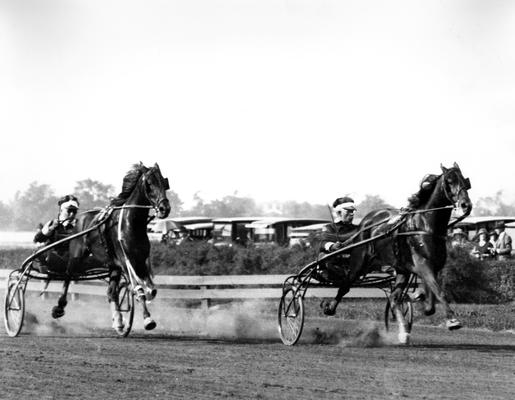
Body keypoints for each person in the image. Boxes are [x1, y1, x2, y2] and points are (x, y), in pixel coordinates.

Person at [317, 196, 359, 283]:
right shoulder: (329, 227)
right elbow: (323, 242)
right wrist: (332, 246)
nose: (352, 214)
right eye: (348, 211)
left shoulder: (358, 229)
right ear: (339, 213)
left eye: (353, 211)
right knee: (324, 257)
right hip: (334, 261)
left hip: (352, 261)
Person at [33, 195, 80, 273]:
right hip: (54, 259)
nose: (72, 214)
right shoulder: (52, 223)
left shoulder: (80, 224)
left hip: (73, 260)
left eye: (74, 211)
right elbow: (37, 239)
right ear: (61, 210)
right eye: (69, 210)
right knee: (39, 252)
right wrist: (51, 229)